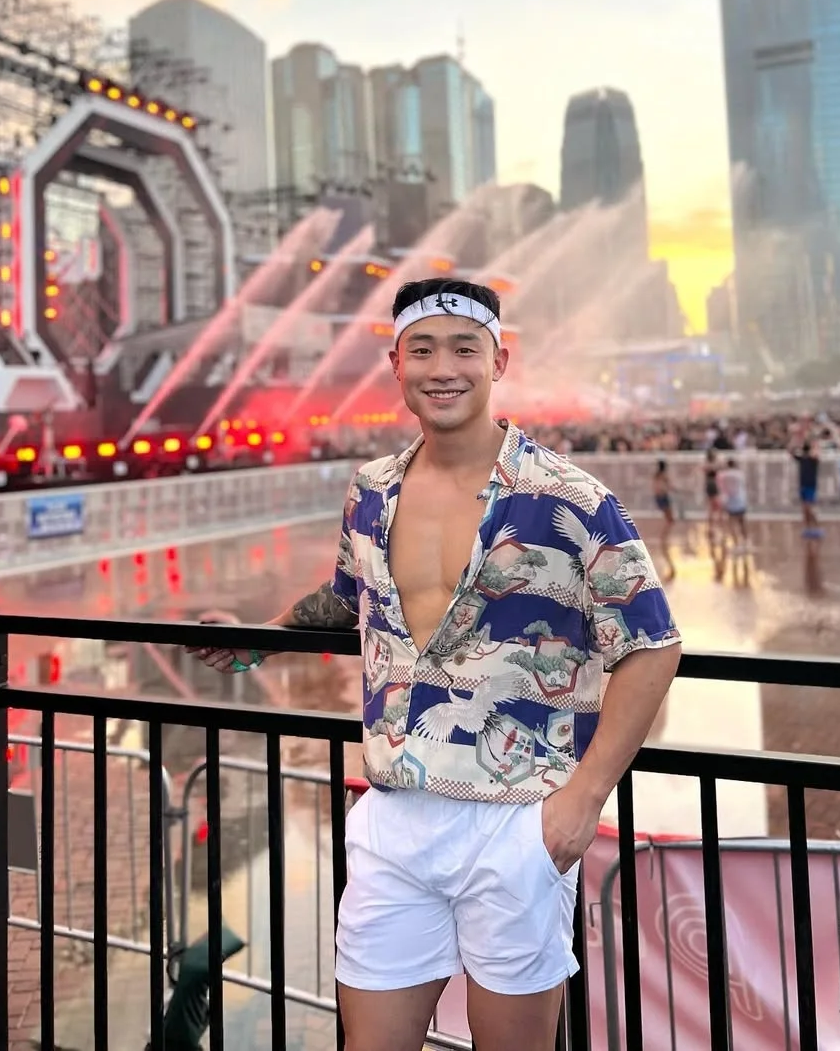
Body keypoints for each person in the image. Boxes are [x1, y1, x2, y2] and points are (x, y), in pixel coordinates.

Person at [186, 277, 680, 1051]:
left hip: (519, 818)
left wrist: (585, 799)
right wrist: (261, 638)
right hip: (394, 813)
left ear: (498, 362)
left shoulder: (569, 497)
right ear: (396, 364)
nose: (442, 368)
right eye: (421, 350)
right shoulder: (372, 490)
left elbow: (651, 644)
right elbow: (350, 596)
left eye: (463, 349)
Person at [717, 456, 748, 551]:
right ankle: (745, 542)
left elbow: (720, 485)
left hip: (730, 501)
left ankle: (736, 543)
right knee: (742, 522)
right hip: (740, 500)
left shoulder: (723, 475)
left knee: (731, 523)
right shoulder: (739, 474)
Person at [791, 441, 821, 535]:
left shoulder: (813, 460)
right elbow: (791, 452)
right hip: (803, 485)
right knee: (804, 509)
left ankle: (816, 525)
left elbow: (816, 455)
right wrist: (796, 443)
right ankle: (808, 527)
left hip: (810, 485)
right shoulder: (802, 459)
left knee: (809, 507)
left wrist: (814, 446)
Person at [652, 459, 676, 579]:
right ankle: (664, 534)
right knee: (670, 519)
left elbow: (655, 487)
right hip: (663, 497)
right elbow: (667, 486)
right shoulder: (663, 476)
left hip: (658, 497)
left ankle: (665, 533)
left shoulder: (656, 476)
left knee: (669, 518)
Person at [704, 449, 722, 533]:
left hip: (709, 484)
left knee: (711, 506)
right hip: (713, 484)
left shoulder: (706, 464)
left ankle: (711, 526)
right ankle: (715, 526)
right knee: (716, 506)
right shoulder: (713, 465)